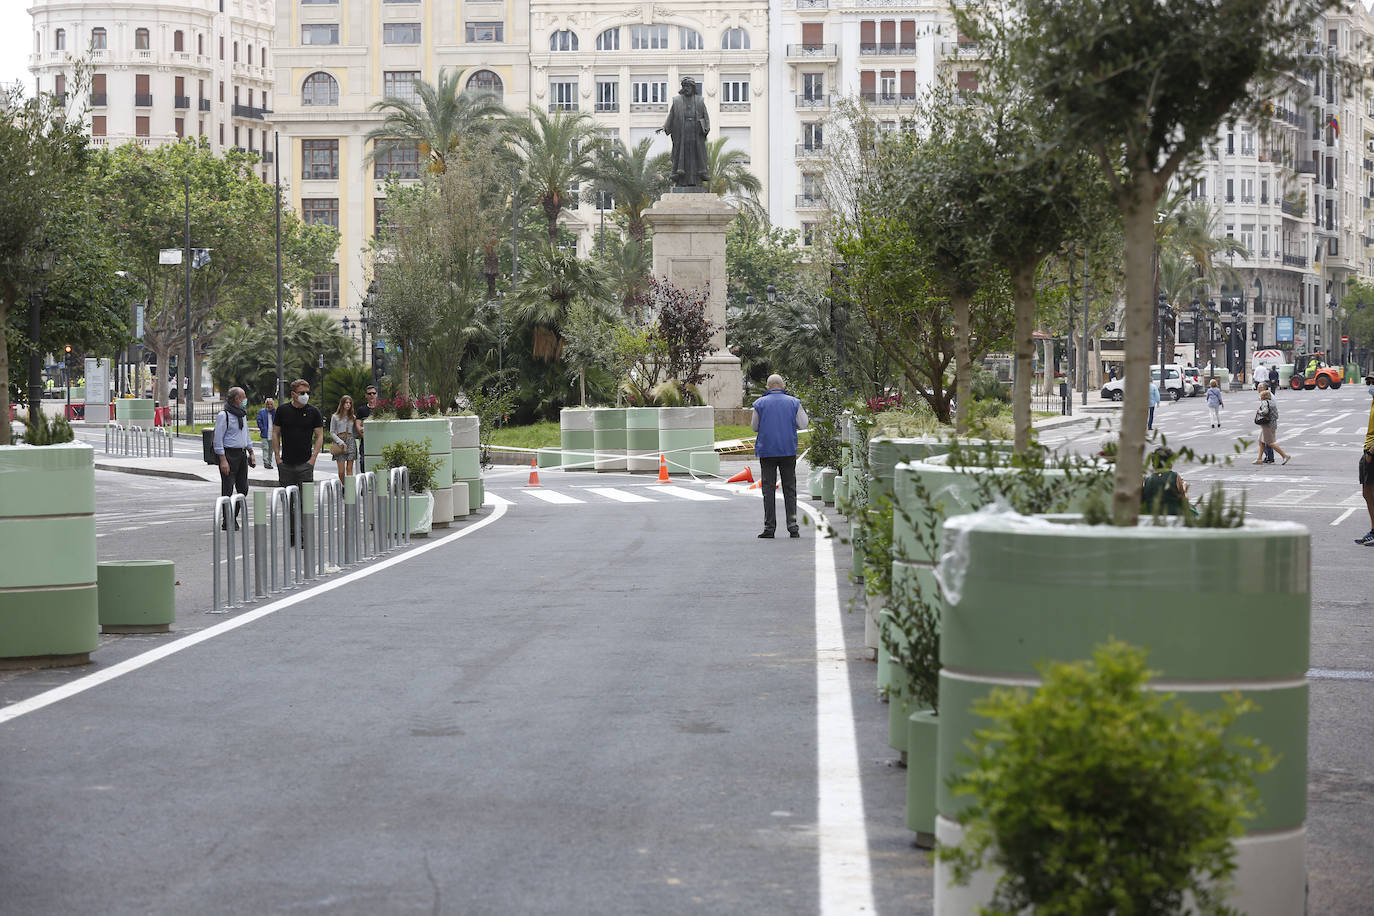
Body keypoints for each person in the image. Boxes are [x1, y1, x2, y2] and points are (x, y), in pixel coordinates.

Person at [751, 374, 809, 539]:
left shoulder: (759, 404)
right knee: (790, 489)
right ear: (783, 387)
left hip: (767, 450)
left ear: (768, 387)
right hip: (787, 450)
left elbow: (755, 426)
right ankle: (793, 526)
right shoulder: (793, 402)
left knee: (768, 490)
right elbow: (803, 423)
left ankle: (769, 528)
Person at [272, 379, 324, 543]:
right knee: (288, 502)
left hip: (305, 465)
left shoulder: (313, 412)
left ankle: (303, 534)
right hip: (286, 464)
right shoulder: (282, 411)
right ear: (293, 394)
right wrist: (277, 458)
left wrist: (313, 458)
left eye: (307, 393)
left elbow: (320, 436)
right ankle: (292, 533)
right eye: (302, 393)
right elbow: (275, 433)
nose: (305, 396)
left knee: (304, 502)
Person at [213, 387, 256, 530]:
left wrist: (251, 452)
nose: (245, 400)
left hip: (241, 454)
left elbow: (246, 434)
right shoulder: (223, 415)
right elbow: (218, 439)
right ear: (236, 399)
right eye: (243, 397)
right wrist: (223, 460)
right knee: (228, 489)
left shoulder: (242, 414)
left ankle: (234, 515)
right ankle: (227, 520)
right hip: (228, 455)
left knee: (243, 488)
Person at [659, 77, 710, 187]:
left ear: (693, 87)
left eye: (688, 86)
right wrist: (665, 127)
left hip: (696, 132)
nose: (686, 88)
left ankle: (697, 179)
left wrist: (705, 127)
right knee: (682, 155)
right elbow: (671, 116)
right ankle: (681, 180)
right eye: (684, 86)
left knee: (696, 156)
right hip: (681, 132)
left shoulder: (700, 100)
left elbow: (706, 117)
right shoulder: (677, 101)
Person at [1142, 447, 1190, 516]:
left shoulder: (1146, 480)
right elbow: (1184, 502)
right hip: (1171, 518)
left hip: (1152, 518)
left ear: (1153, 465)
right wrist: (1185, 488)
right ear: (1170, 464)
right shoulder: (1175, 476)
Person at [1356, 374, 1374, 545]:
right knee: (1366, 493)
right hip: (1368, 448)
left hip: (1372, 450)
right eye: (1369, 382)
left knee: (1371, 493)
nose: (1370, 385)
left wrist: (1371, 452)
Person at [1252, 388, 1290, 465]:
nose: (1260, 397)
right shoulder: (1272, 403)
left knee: (1270, 443)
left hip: (1267, 425)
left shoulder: (1265, 402)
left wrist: (1259, 412)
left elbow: (1265, 411)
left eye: (1261, 395)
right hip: (1272, 424)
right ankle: (1259, 459)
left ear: (1263, 396)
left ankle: (1285, 456)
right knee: (1261, 441)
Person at [328, 395, 362, 482]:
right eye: (346, 403)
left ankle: (349, 489)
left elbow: (356, 430)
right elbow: (332, 432)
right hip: (340, 442)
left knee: (349, 468)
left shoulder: (353, 417)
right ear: (342, 404)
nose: (348, 405)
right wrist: (340, 442)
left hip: (350, 441)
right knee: (341, 471)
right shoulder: (335, 417)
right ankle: (344, 486)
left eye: (350, 403)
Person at [354, 385, 378, 471]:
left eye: (373, 393)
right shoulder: (362, 410)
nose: (371, 395)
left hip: (379, 440)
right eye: (369, 393)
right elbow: (358, 424)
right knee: (363, 461)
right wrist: (365, 436)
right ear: (366, 395)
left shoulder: (381, 408)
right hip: (365, 442)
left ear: (376, 395)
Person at [256, 398, 276, 469]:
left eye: (271, 404)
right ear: (266, 405)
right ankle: (266, 462)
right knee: (265, 448)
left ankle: (269, 463)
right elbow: (259, 420)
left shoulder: (275, 412)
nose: (269, 405)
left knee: (271, 449)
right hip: (265, 434)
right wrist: (262, 428)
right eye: (268, 404)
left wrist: (274, 410)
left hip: (273, 434)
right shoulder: (262, 412)